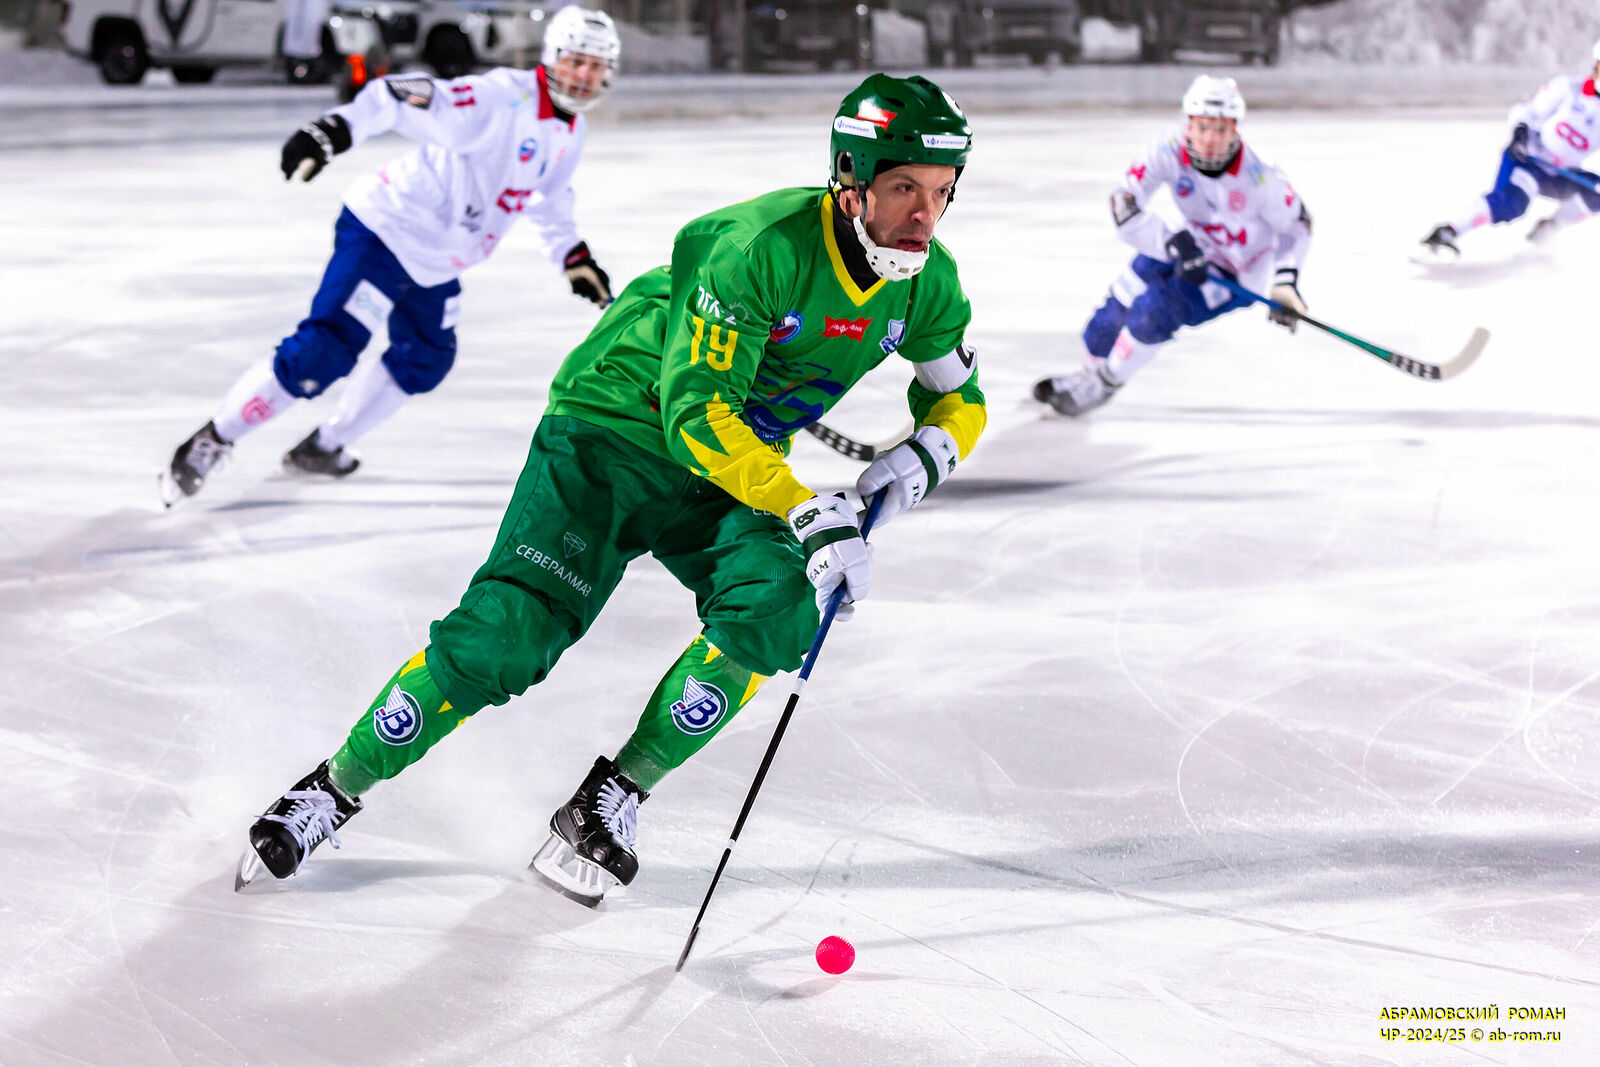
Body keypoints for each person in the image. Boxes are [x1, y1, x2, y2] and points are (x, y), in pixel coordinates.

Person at [234, 74, 988, 906]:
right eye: (904, 188)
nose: (924, 216)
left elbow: (960, 396)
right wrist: (806, 508)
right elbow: (696, 414)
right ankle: (331, 788)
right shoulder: (756, 248)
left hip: (731, 464)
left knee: (777, 605)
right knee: (508, 633)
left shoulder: (927, 283)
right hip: (614, 427)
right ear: (851, 179)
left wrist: (925, 457)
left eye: (942, 192)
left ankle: (609, 797)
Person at [159, 6, 621, 507]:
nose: (584, 76)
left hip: (437, 262)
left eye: (596, 66)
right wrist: (332, 130)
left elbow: (548, 200)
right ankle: (214, 438)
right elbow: (397, 95)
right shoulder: (499, 99)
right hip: (386, 230)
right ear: (552, 57)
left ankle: (322, 447)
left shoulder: (569, 131)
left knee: (425, 358)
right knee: (323, 352)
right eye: (576, 61)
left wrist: (573, 257)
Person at [1033, 75, 1312, 417]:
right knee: (1112, 312)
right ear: (1188, 123)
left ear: (1235, 130)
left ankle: (1104, 383)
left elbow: (1297, 226)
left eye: (1221, 129)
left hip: (1233, 274)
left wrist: (1285, 281)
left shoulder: (1261, 177)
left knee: (1154, 310)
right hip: (1184, 244)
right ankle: (1087, 374)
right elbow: (1123, 203)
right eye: (1203, 126)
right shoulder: (1167, 150)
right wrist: (1170, 243)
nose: (1210, 140)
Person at [1420, 41, 1600, 256]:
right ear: (1596, 65)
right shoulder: (1568, 89)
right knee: (1511, 204)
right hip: (1528, 159)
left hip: (1561, 174)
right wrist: (1520, 134)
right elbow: (1525, 111)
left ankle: (1548, 231)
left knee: (1597, 194)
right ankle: (1446, 233)